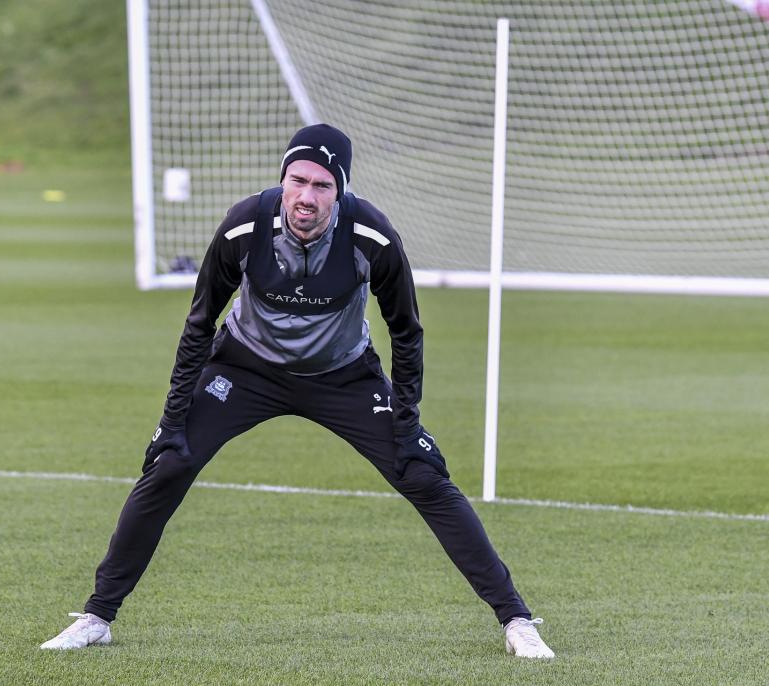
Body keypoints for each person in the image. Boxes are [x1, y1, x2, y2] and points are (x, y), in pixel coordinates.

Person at [40, 124, 555, 659]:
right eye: (297, 180)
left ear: (341, 191)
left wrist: (406, 424)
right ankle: (98, 616)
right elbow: (199, 323)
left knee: (422, 475)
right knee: (169, 464)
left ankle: (516, 619)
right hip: (245, 370)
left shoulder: (372, 238)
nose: (306, 196)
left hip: (343, 376)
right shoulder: (244, 227)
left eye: (322, 185)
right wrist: (172, 423)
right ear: (283, 180)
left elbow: (406, 332)